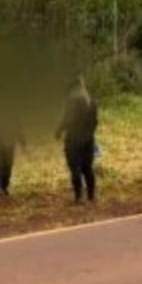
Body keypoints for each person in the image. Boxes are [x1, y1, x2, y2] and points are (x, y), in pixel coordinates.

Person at [55, 75, 99, 204]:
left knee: (75, 169)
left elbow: (67, 120)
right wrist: (89, 134)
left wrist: (58, 132)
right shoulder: (92, 102)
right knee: (88, 168)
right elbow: (95, 122)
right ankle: (91, 196)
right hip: (88, 140)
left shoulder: (72, 102)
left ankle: (78, 197)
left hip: (73, 140)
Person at [0, 105, 26, 198]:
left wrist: (22, 141)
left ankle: (4, 187)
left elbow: (18, 127)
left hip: (8, 143)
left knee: (7, 166)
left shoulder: (13, 112)